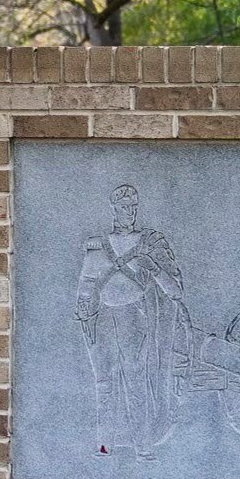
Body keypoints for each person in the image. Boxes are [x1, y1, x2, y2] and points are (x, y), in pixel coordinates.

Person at [72, 183, 186, 458]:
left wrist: (155, 268)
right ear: (114, 209)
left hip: (134, 316)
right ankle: (104, 442)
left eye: (133, 207)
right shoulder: (97, 247)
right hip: (103, 319)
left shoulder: (150, 244)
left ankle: (142, 444)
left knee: (136, 380)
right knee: (104, 381)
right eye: (124, 207)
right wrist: (83, 306)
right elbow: (86, 285)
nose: (130, 212)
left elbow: (175, 291)